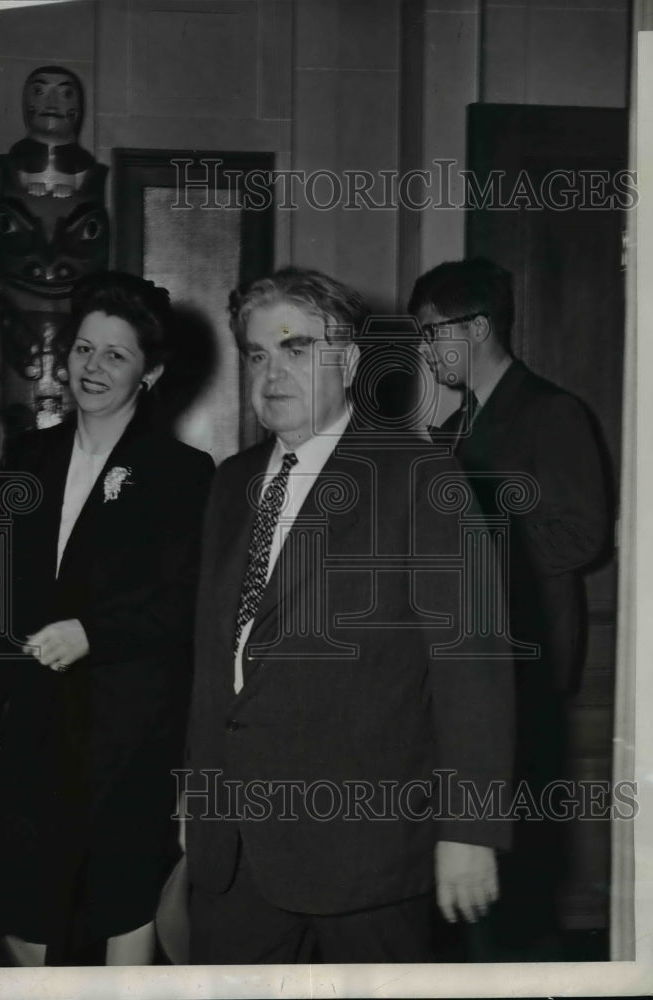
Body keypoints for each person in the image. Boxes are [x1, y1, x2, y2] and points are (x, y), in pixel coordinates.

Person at [183, 266, 514, 964]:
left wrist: (471, 832)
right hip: (234, 851)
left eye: (297, 348)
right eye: (257, 353)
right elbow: (219, 659)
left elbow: (472, 667)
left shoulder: (421, 479)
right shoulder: (230, 482)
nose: (272, 373)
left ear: (349, 361)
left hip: (366, 856)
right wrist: (195, 794)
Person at [0, 271, 214, 966]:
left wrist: (95, 634)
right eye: (82, 349)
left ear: (150, 372)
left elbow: (185, 601)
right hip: (40, 711)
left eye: (115, 355)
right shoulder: (29, 456)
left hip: (131, 720)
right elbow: (7, 592)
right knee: (22, 902)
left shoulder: (184, 473)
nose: (90, 368)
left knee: (121, 894)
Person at [408, 256, 609, 958]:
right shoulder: (460, 425)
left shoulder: (551, 412)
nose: (426, 350)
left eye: (431, 333)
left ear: (478, 327)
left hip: (526, 666)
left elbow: (582, 534)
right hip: (476, 670)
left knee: (513, 875)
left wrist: (476, 547)